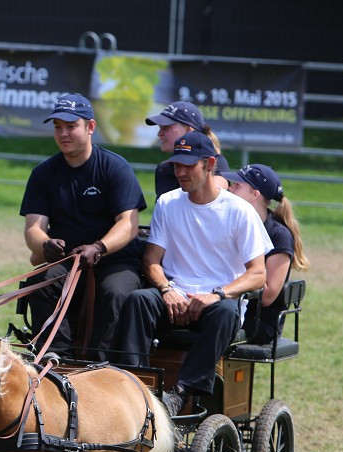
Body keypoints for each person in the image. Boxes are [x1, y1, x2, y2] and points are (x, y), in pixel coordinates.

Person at [115, 131, 273, 417]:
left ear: (209, 164)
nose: (180, 172)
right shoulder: (168, 203)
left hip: (217, 300)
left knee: (226, 312)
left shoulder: (239, 211)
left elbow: (258, 274)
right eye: (176, 165)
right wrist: (166, 289)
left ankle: (182, 391)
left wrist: (217, 294)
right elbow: (151, 260)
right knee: (139, 300)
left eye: (188, 166)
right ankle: (135, 387)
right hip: (174, 295)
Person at [21, 93, 147, 362]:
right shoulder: (43, 174)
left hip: (115, 261)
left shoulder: (115, 168)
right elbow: (33, 229)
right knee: (39, 281)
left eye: (70, 126)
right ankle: (57, 359)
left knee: (114, 292)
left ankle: (100, 364)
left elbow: (128, 223)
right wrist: (45, 244)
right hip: (68, 262)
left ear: (90, 127)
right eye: (57, 127)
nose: (63, 133)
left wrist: (100, 247)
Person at [222, 163, 309, 343]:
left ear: (255, 194)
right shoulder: (231, 222)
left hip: (258, 321)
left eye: (237, 185)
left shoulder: (279, 236)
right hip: (228, 305)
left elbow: (268, 296)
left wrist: (221, 287)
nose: (229, 189)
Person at [145, 101, 229, 198]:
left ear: (190, 130)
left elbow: (212, 197)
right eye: (160, 128)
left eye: (166, 127)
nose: (159, 133)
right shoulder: (163, 169)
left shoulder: (213, 161)